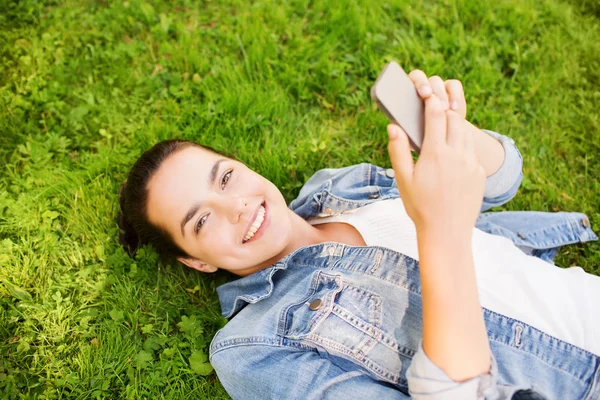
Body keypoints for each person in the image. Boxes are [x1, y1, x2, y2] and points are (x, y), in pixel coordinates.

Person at [118, 70, 600, 400]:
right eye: (201, 221)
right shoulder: (251, 350)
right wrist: (442, 235)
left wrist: (449, 130)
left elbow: (502, 178)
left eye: (225, 178)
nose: (237, 206)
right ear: (196, 261)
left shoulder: (341, 186)